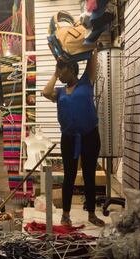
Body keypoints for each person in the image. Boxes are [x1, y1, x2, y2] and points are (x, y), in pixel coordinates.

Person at [42, 49, 105, 227]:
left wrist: (92, 43)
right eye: (58, 71)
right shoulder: (60, 92)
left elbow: (92, 57)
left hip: (90, 136)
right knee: (69, 176)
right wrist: (55, 72)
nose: (60, 74)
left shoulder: (87, 82)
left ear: (71, 68)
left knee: (89, 175)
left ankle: (92, 214)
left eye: (62, 70)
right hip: (69, 138)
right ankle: (66, 214)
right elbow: (46, 92)